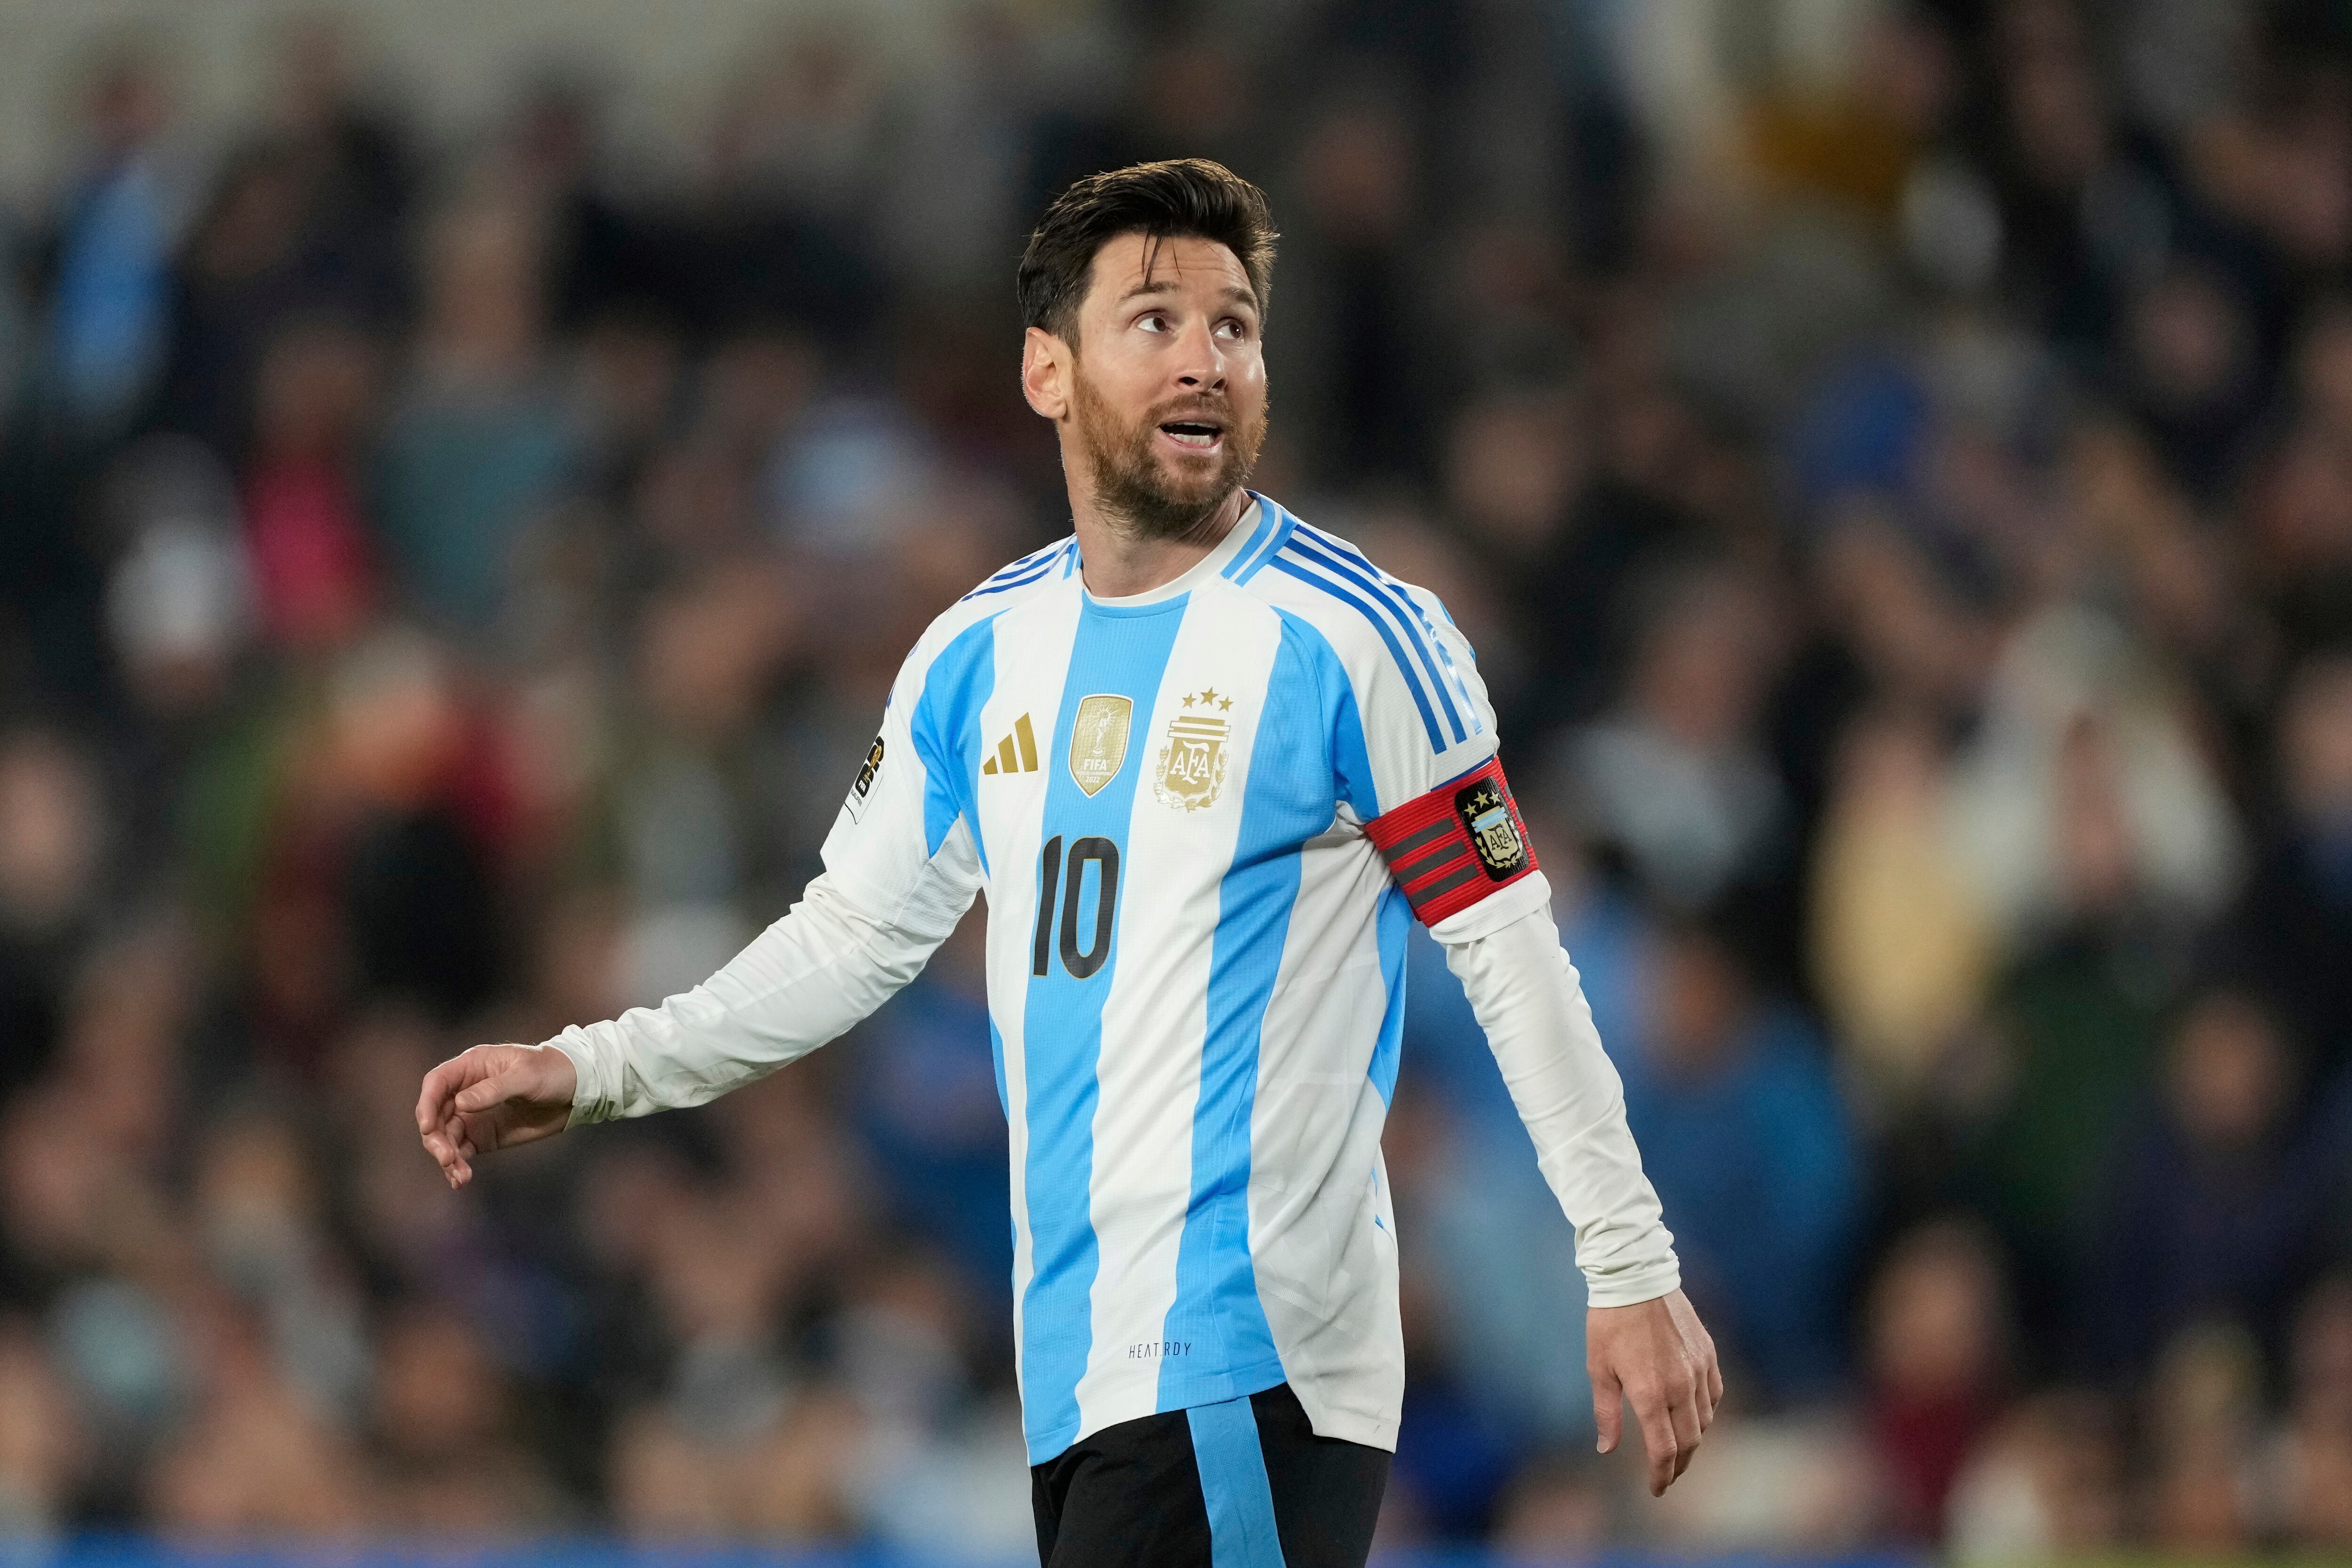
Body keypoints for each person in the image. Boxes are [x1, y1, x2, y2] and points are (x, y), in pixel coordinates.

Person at [415, 159, 1718, 1567]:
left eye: (1235, 325)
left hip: (1246, 1353)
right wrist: (597, 1069)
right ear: (1048, 371)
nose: (1206, 359)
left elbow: (1512, 949)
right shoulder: (980, 652)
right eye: (1154, 320)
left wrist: (1630, 1263)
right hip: (1082, 1371)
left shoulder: (1353, 638)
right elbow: (850, 935)